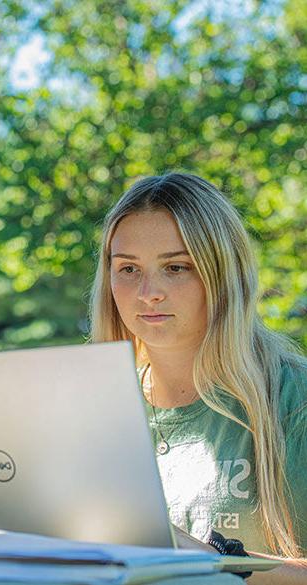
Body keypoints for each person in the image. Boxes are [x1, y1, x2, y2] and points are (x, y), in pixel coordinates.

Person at [90, 172, 307, 582]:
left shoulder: (294, 400)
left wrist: (199, 556)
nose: (148, 292)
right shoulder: (94, 413)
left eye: (176, 267)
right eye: (128, 269)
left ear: (223, 273)